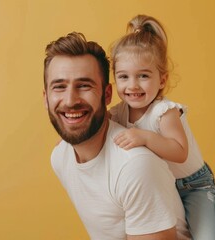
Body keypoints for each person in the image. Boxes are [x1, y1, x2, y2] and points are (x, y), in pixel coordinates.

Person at [43, 32, 191, 240]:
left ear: (107, 95)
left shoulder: (135, 166)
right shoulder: (60, 157)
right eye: (59, 87)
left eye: (84, 85)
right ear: (46, 98)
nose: (69, 100)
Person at [109, 14, 215, 240]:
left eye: (143, 76)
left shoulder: (164, 112)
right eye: (123, 77)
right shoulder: (119, 111)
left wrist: (146, 138)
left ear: (162, 80)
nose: (132, 85)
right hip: (164, 186)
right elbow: (99, 126)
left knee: (205, 237)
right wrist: (70, 141)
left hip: (194, 186)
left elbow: (179, 152)